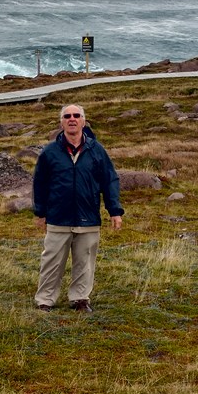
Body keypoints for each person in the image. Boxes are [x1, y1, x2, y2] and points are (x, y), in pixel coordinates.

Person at [32, 103, 124, 312]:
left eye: (76, 115)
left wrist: (115, 211)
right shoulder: (50, 152)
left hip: (88, 217)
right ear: (61, 122)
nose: (71, 119)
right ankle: (45, 300)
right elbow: (40, 183)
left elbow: (109, 180)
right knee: (52, 262)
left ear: (83, 121)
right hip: (58, 217)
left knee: (85, 262)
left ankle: (80, 299)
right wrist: (40, 212)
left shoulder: (97, 150)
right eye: (67, 116)